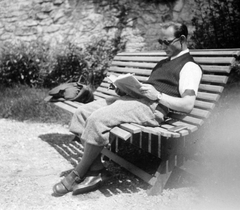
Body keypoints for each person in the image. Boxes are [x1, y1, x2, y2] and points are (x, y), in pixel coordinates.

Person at [52, 21, 203, 196]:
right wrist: (124, 88)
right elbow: (149, 88)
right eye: (160, 42)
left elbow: (187, 104)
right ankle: (96, 168)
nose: (162, 46)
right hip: (135, 100)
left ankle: (79, 173)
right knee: (81, 113)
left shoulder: (189, 67)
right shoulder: (164, 62)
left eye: (166, 42)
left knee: (97, 118)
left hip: (152, 108)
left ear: (182, 39)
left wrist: (159, 96)